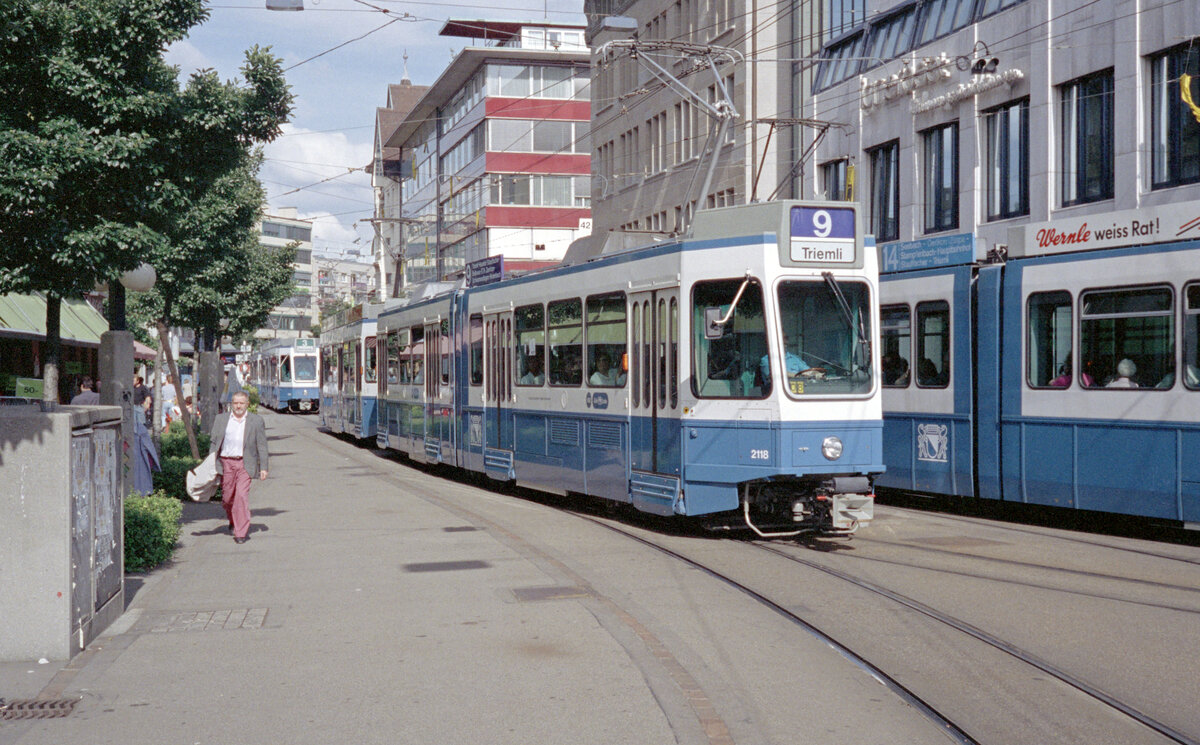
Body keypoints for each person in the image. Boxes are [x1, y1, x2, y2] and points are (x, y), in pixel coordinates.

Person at [207, 391, 269, 544]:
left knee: (241, 496)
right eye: (236, 403)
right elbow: (214, 443)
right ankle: (233, 519)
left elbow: (262, 445)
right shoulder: (221, 419)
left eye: (242, 403)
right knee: (228, 499)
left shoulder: (256, 421)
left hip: (245, 463)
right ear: (231, 404)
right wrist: (209, 462)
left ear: (247, 404)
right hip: (225, 463)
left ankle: (240, 532)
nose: (238, 406)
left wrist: (264, 467)